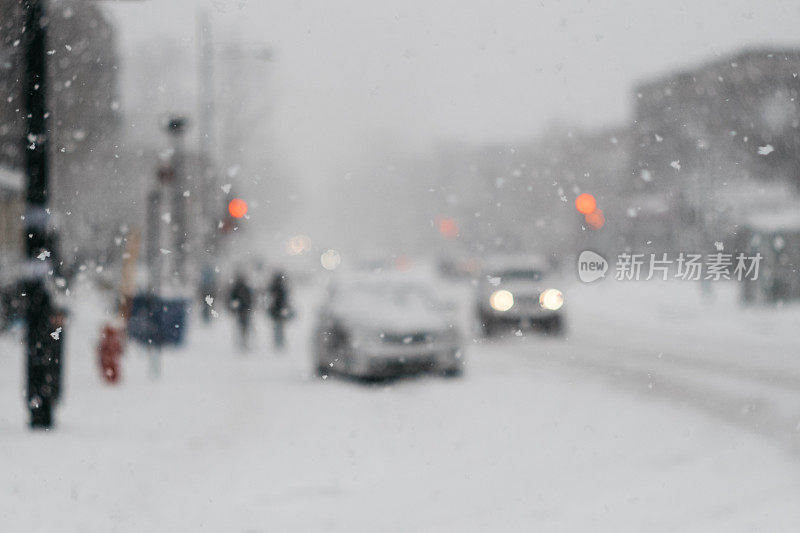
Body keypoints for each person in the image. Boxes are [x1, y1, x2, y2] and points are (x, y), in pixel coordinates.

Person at [227, 272, 253, 350]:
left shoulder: (238, 288)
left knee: (243, 327)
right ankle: (242, 342)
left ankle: (243, 342)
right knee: (242, 327)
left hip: (242, 310)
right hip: (242, 310)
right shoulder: (241, 288)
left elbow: (248, 299)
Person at [267, 271, 292, 350]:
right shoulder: (280, 288)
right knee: (279, 327)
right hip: (278, 310)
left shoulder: (275, 288)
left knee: (278, 327)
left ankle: (279, 342)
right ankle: (279, 342)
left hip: (277, 311)